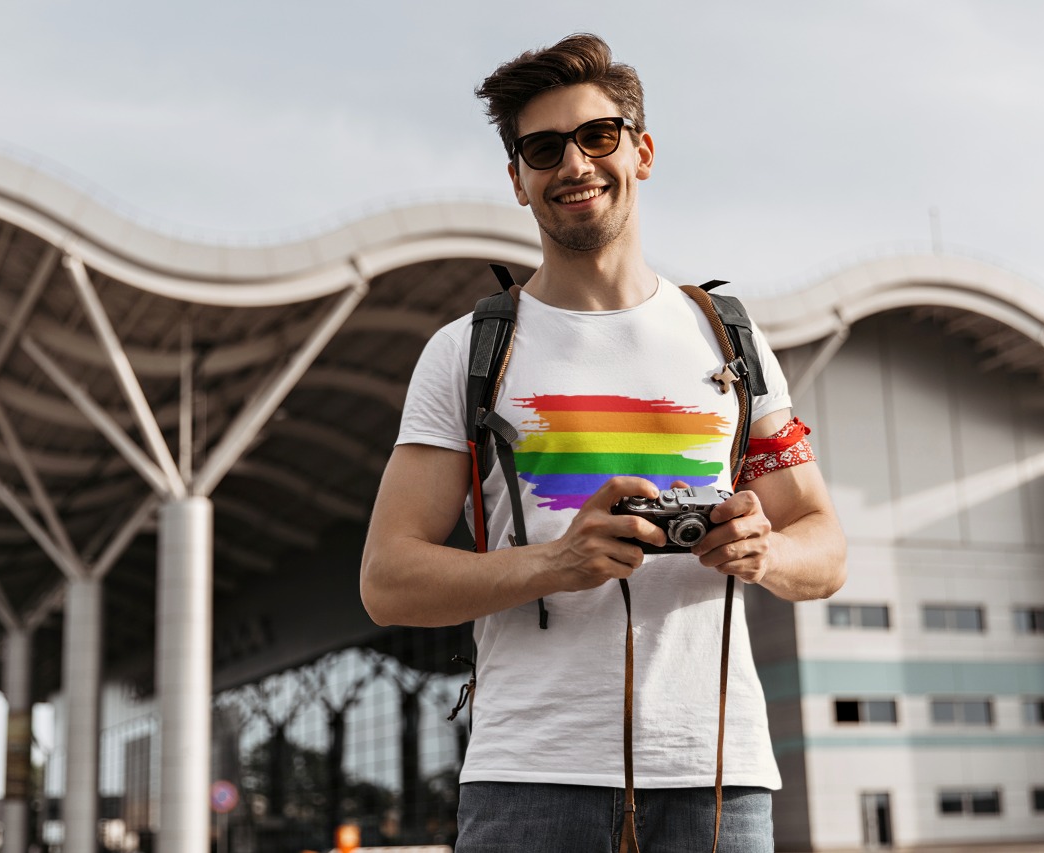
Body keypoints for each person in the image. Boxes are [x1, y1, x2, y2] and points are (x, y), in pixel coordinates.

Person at [360, 33, 846, 853]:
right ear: (517, 179)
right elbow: (387, 580)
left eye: (598, 136)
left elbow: (824, 547)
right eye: (544, 149)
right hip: (529, 778)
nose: (575, 164)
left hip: (715, 776)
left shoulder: (731, 339)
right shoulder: (468, 351)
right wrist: (559, 560)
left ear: (642, 151)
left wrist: (762, 551)